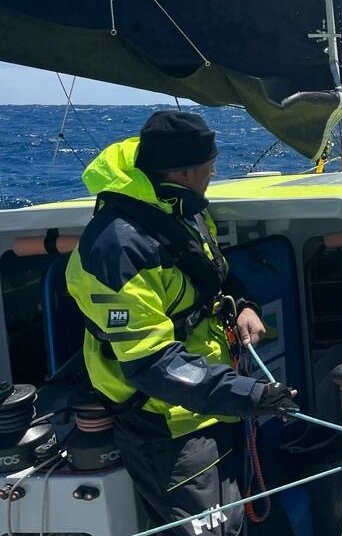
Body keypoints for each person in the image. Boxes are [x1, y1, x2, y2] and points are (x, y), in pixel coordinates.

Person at [65, 111, 299, 536]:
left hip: (216, 403)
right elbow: (152, 365)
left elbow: (215, 275)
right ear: (186, 172)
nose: (214, 175)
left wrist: (244, 304)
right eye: (210, 169)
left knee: (250, 517)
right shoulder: (115, 250)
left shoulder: (178, 207)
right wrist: (248, 394)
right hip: (167, 425)